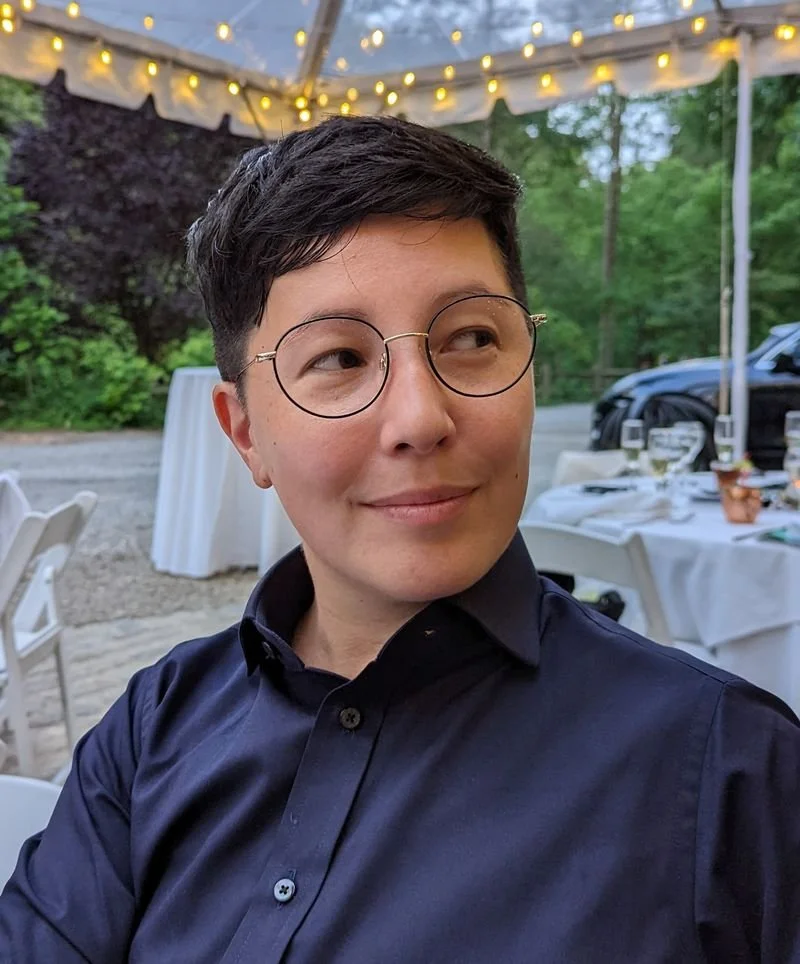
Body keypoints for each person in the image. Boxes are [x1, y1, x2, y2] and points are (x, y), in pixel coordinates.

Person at [1, 115, 798, 963]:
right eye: (339, 359)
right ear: (244, 435)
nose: (421, 418)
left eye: (472, 339)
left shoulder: (730, 774)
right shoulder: (152, 729)